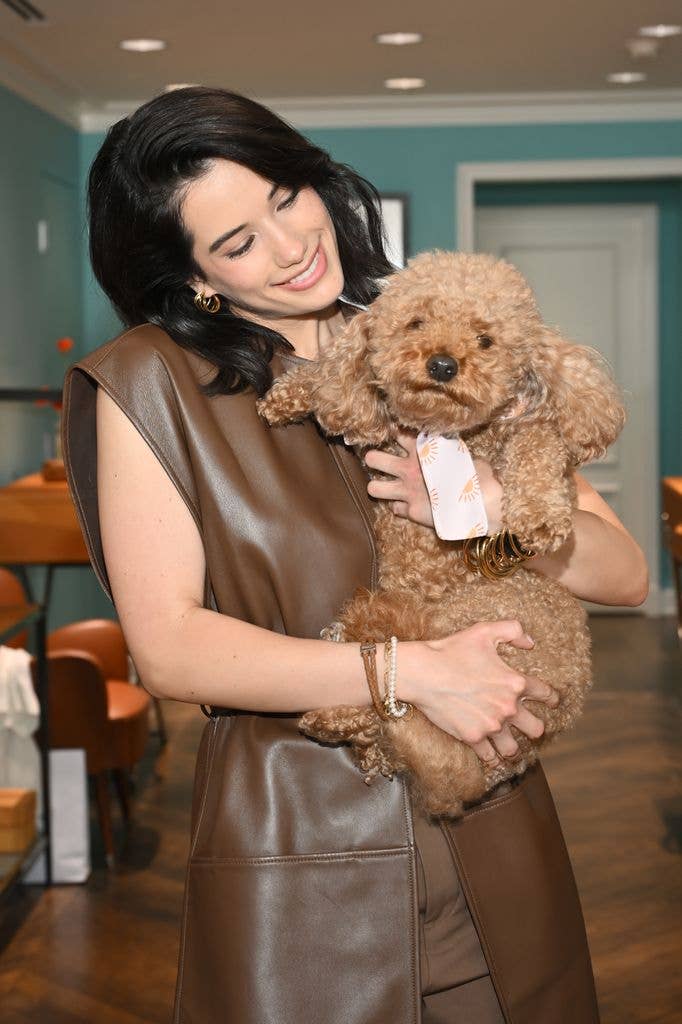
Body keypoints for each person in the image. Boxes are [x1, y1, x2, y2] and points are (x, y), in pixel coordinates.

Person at [61, 86, 648, 1024]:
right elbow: (168, 647)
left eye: (286, 196)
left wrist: (483, 511)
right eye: (238, 242)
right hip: (304, 856)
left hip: (495, 827)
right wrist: (413, 672)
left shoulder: (429, 331)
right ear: (193, 275)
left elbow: (626, 575)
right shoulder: (149, 383)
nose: (293, 245)